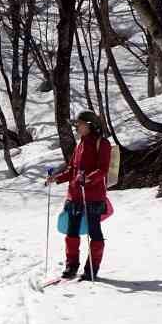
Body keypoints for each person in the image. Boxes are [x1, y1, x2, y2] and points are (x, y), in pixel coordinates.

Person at [47, 110, 112, 280]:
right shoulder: (80, 144)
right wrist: (56, 178)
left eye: (79, 124)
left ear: (90, 125)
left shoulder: (102, 143)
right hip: (75, 195)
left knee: (94, 231)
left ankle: (92, 269)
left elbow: (103, 169)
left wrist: (88, 179)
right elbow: (72, 170)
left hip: (93, 197)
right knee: (71, 232)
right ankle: (71, 266)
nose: (76, 127)